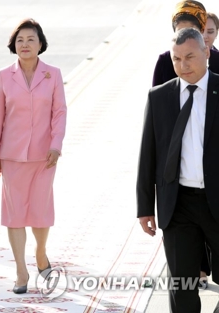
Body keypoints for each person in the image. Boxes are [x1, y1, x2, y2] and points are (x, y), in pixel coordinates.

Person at [137, 27, 219, 313]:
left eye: (190, 57)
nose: (183, 65)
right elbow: (148, 154)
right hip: (178, 204)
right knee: (182, 285)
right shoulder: (159, 97)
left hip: (218, 200)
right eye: (176, 59)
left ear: (206, 52)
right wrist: (145, 206)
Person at [0, 18, 67, 294]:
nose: (25, 44)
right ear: (14, 45)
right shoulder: (3, 76)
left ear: (40, 44)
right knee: (15, 214)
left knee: (41, 213)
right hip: (11, 156)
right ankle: (21, 270)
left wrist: (56, 145)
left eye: (30, 39)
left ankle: (41, 253)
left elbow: (59, 112)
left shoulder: (53, 74)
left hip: (45, 156)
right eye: (20, 40)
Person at [152, 1, 219, 87]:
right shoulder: (164, 62)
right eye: (180, 31)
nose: (185, 36)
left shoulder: (217, 60)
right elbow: (157, 97)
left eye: (191, 31)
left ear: (201, 31)